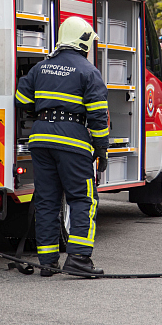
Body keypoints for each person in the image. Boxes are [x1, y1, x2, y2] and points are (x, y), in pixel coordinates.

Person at [15, 16, 109, 277]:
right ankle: (79, 259)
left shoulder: (40, 67)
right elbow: (98, 115)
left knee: (47, 201)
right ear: (83, 41)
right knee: (83, 199)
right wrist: (101, 149)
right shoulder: (88, 71)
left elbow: (22, 99)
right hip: (72, 141)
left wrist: (45, 112)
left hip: (41, 140)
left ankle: (47, 263)